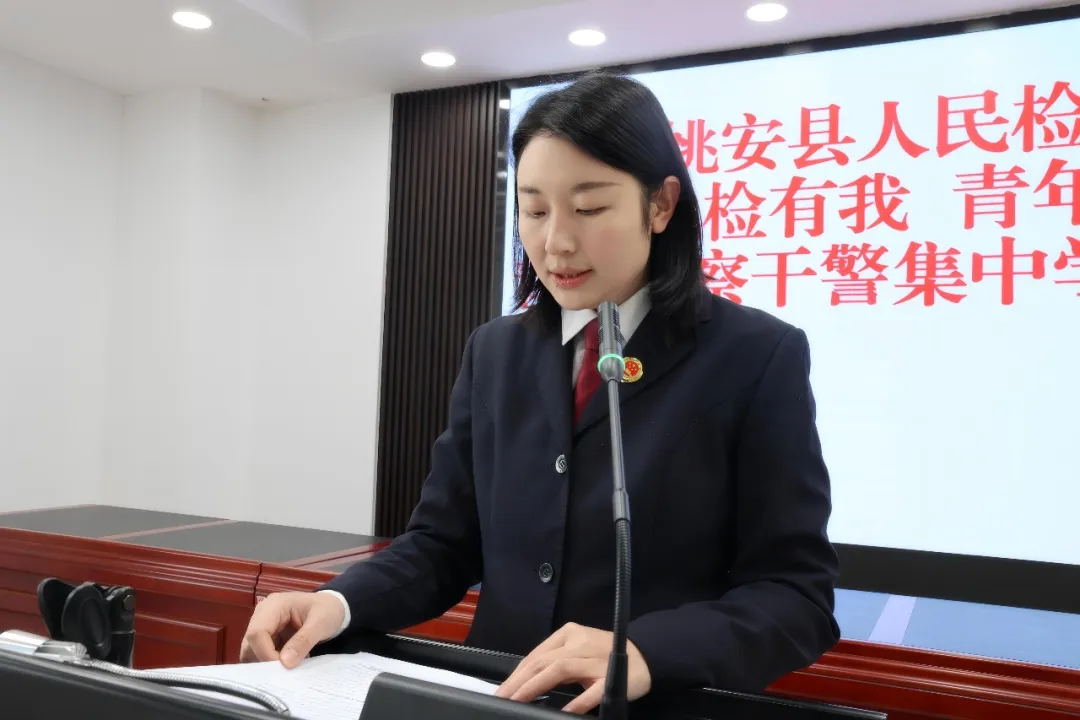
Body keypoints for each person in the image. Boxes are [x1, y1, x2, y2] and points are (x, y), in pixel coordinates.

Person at [239, 71, 841, 713]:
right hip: (492, 701)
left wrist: (645, 650)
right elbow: (442, 545)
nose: (556, 242)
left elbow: (795, 594)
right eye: (534, 210)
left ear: (661, 205)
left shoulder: (754, 356)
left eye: (589, 209)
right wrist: (336, 603)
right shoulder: (496, 352)